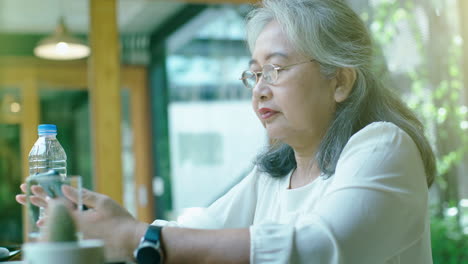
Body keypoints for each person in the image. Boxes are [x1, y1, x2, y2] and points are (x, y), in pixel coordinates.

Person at [17, 0, 436, 263]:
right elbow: (199, 230)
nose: (260, 89)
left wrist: (137, 237)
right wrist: (108, 224)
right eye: (254, 73)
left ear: (340, 81)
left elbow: (318, 248)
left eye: (275, 68)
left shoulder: (383, 145)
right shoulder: (275, 173)